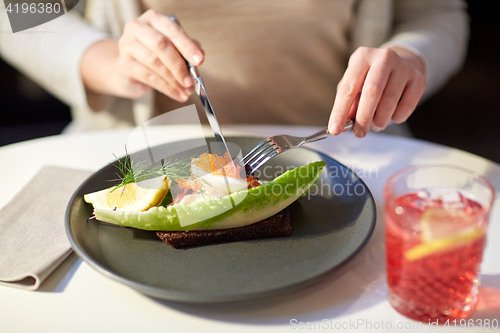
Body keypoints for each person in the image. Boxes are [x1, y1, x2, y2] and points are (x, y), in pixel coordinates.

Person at [0, 0, 469, 137]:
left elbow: (435, 13)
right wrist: (103, 60)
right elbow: (18, 11)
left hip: (343, 158)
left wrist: (409, 57)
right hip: (142, 163)